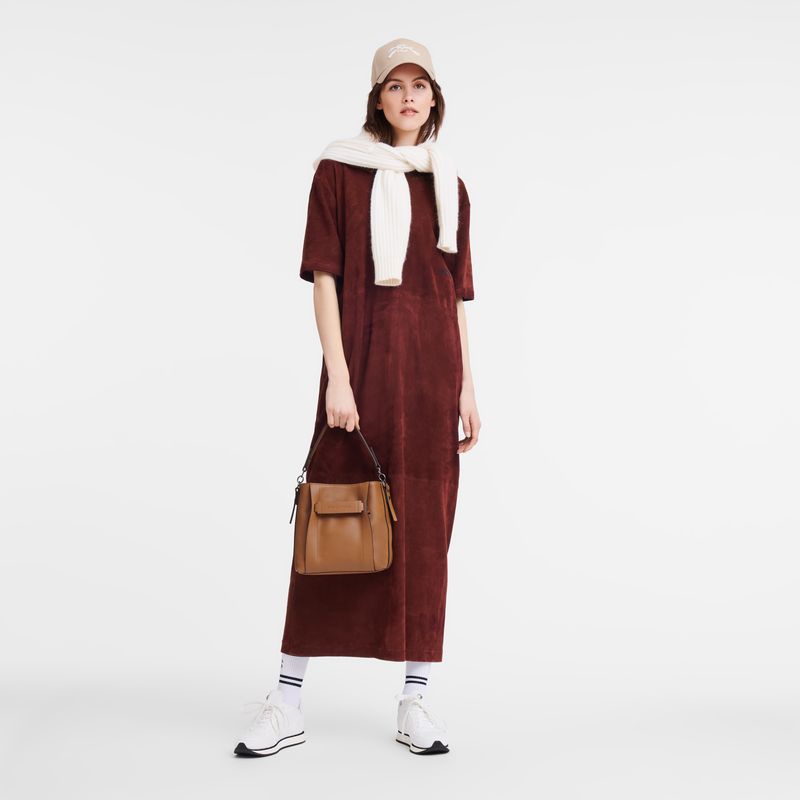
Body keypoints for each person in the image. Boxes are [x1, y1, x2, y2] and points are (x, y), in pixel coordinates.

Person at [234, 37, 480, 758]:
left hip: (432, 380)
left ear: (434, 98)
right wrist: (338, 377)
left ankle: (415, 700)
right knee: (332, 528)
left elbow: (457, 295)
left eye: (420, 85)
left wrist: (468, 384)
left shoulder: (450, 185)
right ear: (376, 98)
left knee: (425, 537)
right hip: (362, 373)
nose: (408, 96)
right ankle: (287, 700)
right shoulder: (339, 173)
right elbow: (326, 279)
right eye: (394, 85)